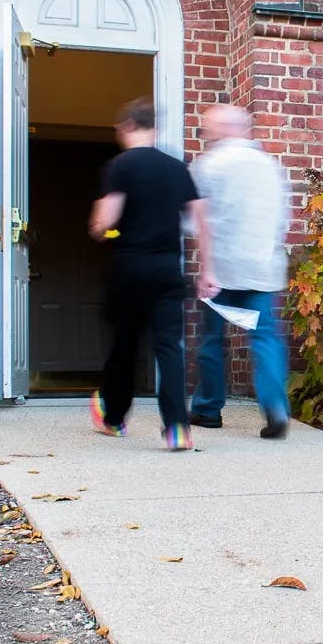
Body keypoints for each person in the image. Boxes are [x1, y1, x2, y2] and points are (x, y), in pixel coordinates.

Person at [88, 98, 211, 451]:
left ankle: (113, 419)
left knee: (124, 345)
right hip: (167, 269)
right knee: (169, 347)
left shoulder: (120, 166)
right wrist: (207, 270)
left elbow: (106, 221)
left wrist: (99, 226)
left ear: (126, 126)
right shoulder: (177, 168)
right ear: (153, 128)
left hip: (129, 268)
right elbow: (202, 222)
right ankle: (176, 428)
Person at [188, 105, 292, 439]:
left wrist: (206, 269)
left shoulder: (208, 165)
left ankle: (207, 409)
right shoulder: (269, 166)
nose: (205, 133)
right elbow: (283, 219)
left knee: (213, 339)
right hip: (262, 266)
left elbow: (196, 221)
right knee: (265, 338)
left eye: (207, 128)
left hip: (222, 267)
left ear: (221, 129)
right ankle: (275, 406)